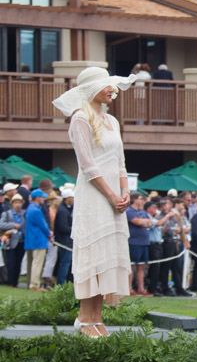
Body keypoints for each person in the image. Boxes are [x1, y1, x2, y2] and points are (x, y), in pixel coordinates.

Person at [51, 66, 136, 337]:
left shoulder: (113, 122)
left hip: (115, 199)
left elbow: (120, 161)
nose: (113, 89)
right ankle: (85, 318)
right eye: (107, 85)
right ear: (91, 89)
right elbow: (87, 165)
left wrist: (124, 192)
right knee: (94, 255)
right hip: (94, 196)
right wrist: (110, 194)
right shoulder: (80, 119)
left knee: (108, 257)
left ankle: (96, 318)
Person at [23, 189, 52, 291]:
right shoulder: (36, 210)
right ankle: (35, 284)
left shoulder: (30, 208)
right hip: (38, 239)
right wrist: (50, 234)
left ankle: (31, 283)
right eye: (42, 197)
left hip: (31, 239)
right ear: (38, 198)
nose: (44, 199)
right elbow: (43, 225)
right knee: (37, 263)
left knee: (32, 263)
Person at [125, 193, 152, 295]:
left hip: (144, 242)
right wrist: (144, 222)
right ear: (135, 200)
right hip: (134, 242)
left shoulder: (142, 211)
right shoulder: (129, 211)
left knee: (141, 266)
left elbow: (150, 222)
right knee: (132, 265)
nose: (142, 201)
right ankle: (129, 288)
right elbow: (136, 222)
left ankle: (141, 288)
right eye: (140, 199)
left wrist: (144, 221)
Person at [0, 193, 26, 286]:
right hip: (11, 241)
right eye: (16, 202)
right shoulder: (7, 214)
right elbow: (1, 224)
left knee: (18, 263)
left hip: (22, 241)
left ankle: (15, 282)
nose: (18, 204)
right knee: (11, 263)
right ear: (12, 203)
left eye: (19, 202)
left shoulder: (24, 213)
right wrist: (13, 225)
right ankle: (10, 282)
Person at [53, 185, 74, 285]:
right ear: (67, 198)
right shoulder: (63, 211)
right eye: (72, 198)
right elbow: (62, 227)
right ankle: (61, 284)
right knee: (64, 263)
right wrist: (75, 229)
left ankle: (63, 283)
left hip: (66, 240)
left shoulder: (66, 209)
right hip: (64, 241)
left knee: (66, 263)